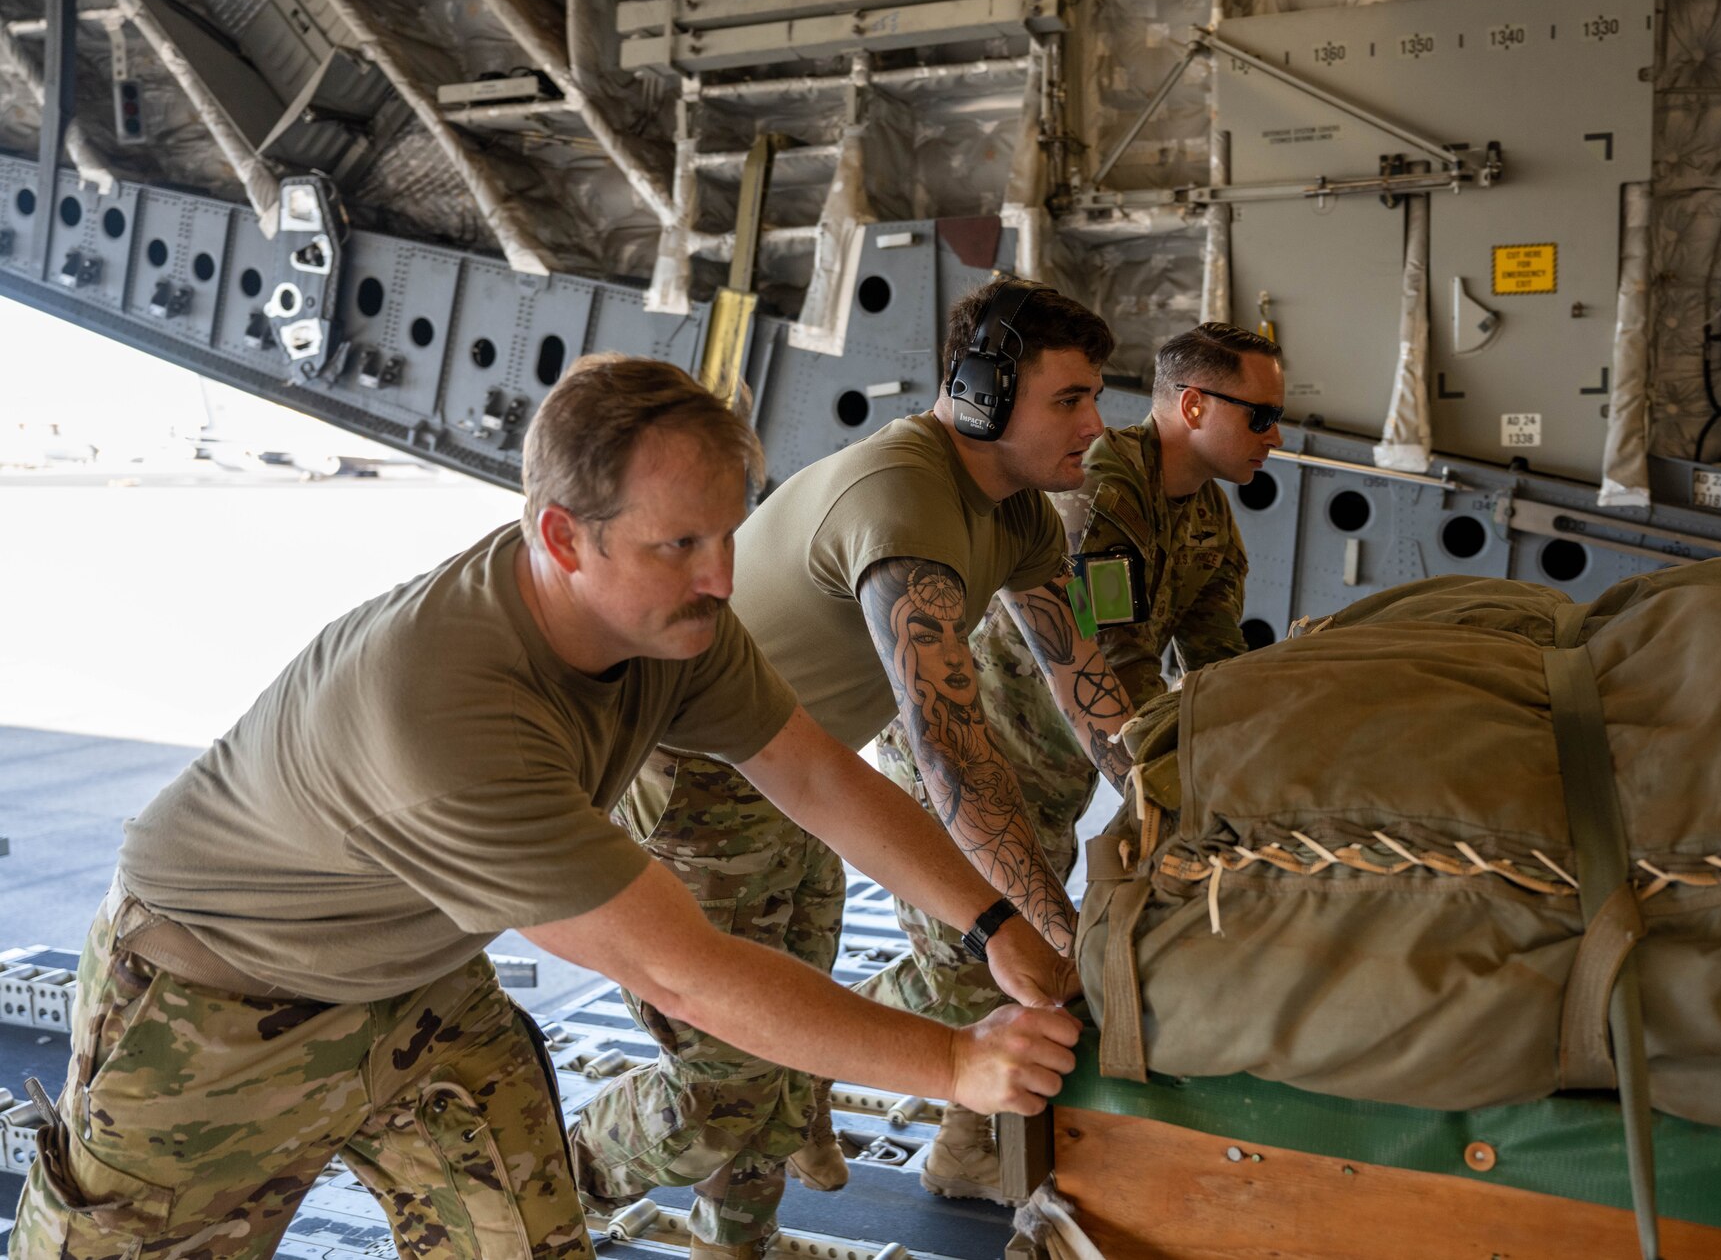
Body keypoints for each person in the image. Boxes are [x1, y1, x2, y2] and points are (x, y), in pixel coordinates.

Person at [9, 354, 1079, 1260]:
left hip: (420, 974)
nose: (720, 577)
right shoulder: (447, 712)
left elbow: (814, 774)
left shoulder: (669, 624)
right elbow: (679, 970)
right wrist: (952, 1063)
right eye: (678, 546)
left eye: (728, 536)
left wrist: (987, 925)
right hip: (220, 992)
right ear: (563, 539)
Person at [569, 281, 1138, 1258]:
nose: (1096, 424)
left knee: (788, 1051)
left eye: (1095, 396)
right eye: (1068, 400)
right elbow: (949, 747)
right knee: (719, 1091)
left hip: (804, 785)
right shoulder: (903, 492)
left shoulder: (1024, 519)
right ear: (980, 392)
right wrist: (1045, 926)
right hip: (696, 793)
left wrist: (1168, 794)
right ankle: (557, 1177)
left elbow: (1082, 679)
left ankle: (730, 1243)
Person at [861, 321, 1285, 1200]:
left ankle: (962, 1150)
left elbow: (1211, 674)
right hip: (963, 771)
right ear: (1195, 404)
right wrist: (1169, 788)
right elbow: (1108, 657)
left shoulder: (1210, 526)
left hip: (1049, 787)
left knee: (1014, 982)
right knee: (962, 972)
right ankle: (785, 1062)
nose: (1275, 437)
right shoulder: (1098, 493)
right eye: (1262, 416)